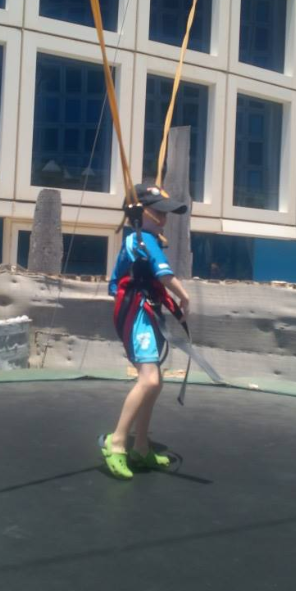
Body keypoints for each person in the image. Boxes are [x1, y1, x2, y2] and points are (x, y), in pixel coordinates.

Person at [100, 184, 190, 480]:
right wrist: (184, 297)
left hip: (146, 311)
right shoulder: (140, 239)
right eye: (158, 214)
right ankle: (117, 442)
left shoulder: (145, 240)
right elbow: (164, 274)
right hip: (136, 313)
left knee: (155, 382)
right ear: (139, 214)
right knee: (149, 379)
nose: (164, 220)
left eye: (165, 215)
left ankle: (140, 446)